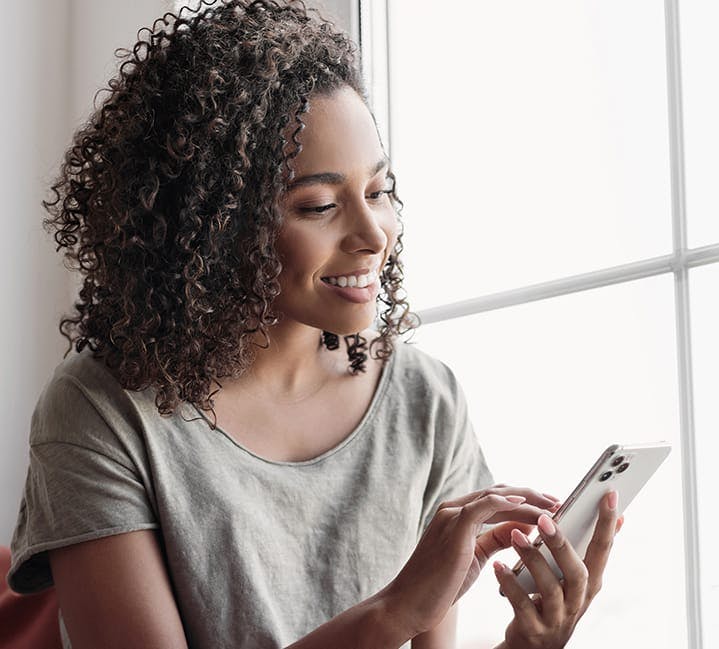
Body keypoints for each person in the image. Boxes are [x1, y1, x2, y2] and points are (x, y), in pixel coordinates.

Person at [5, 1, 624, 647]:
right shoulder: (102, 411)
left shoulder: (423, 401)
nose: (372, 234)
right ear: (214, 226)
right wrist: (393, 610)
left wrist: (528, 643)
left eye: (380, 191)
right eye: (320, 204)